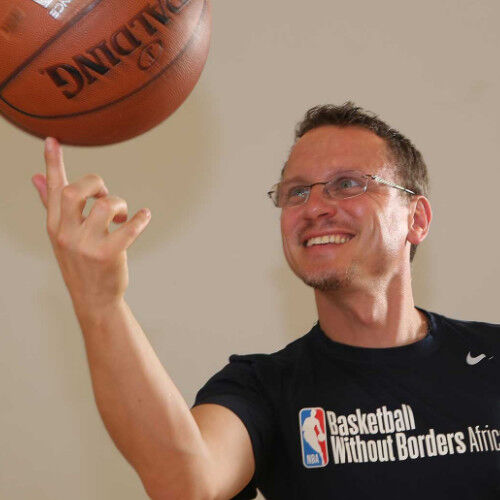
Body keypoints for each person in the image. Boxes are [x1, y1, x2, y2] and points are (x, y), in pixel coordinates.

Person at [32, 102, 499, 500]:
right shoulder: (264, 389)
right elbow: (185, 480)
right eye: (297, 191)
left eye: (347, 184)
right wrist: (100, 302)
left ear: (416, 219)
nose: (315, 207)